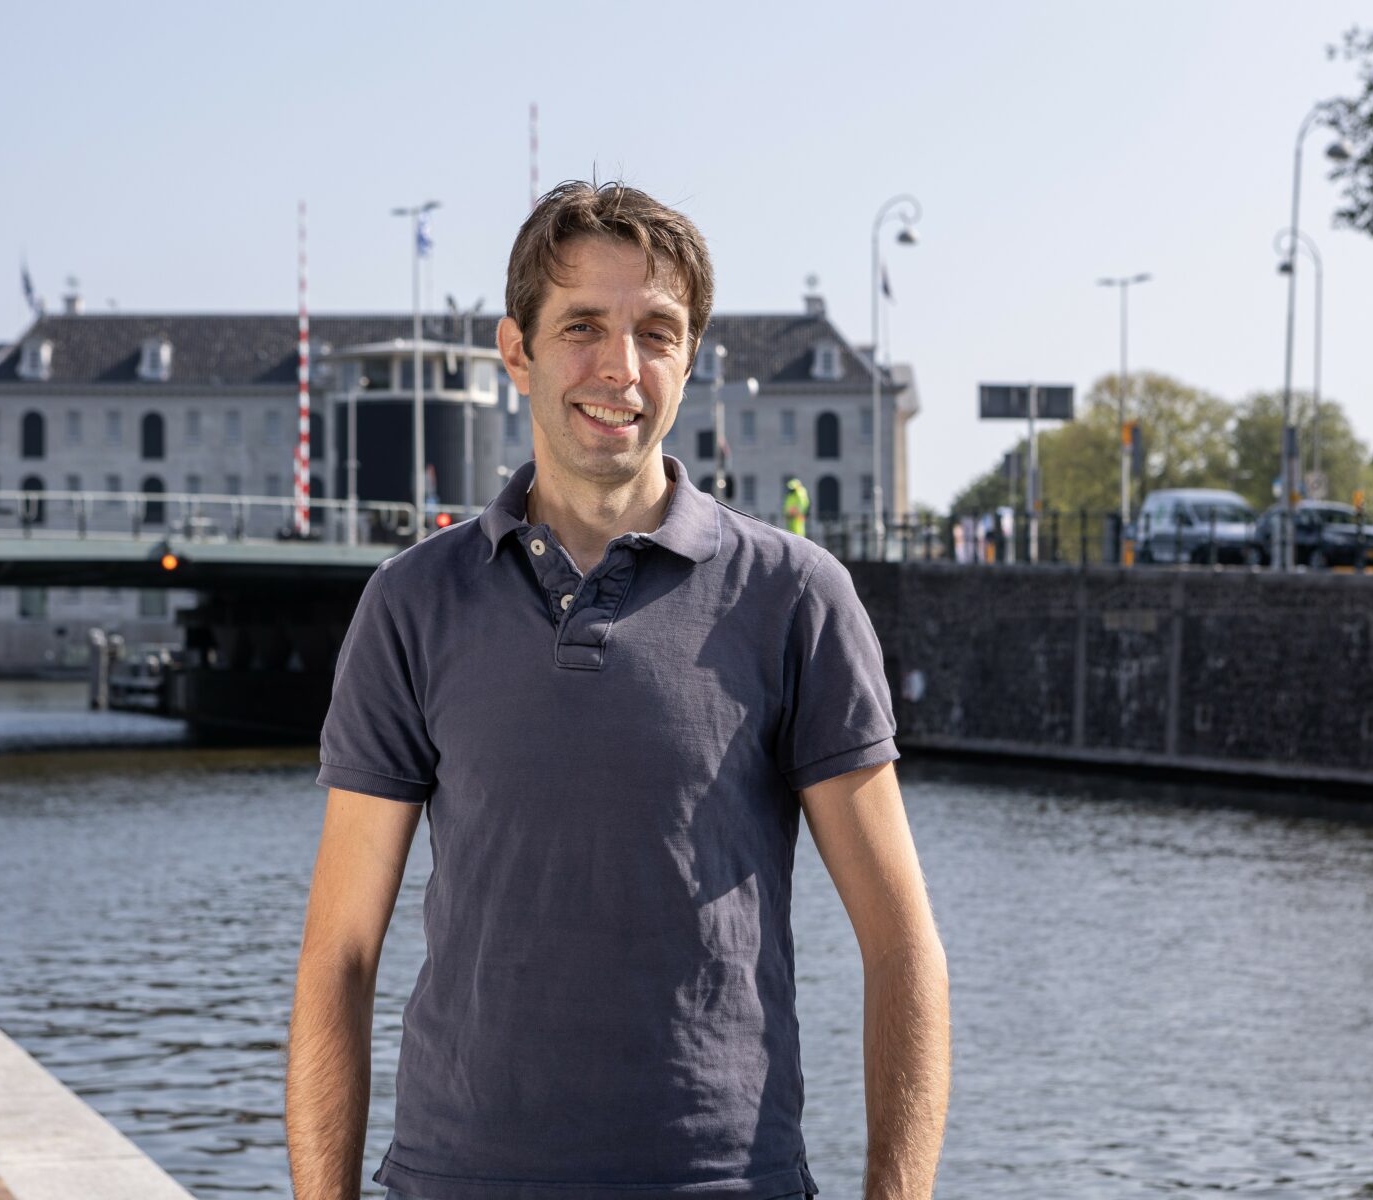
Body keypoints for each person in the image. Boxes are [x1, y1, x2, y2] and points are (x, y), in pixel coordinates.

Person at [286, 181, 950, 1200]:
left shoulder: (793, 599)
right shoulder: (411, 605)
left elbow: (902, 947)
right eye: (583, 327)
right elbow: (339, 956)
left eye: (657, 331)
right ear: (518, 352)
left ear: (692, 360)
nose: (620, 369)